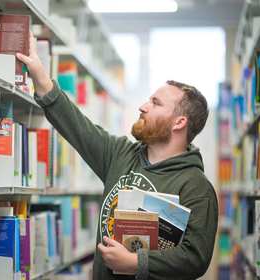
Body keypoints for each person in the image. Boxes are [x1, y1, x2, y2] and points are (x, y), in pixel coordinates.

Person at [16, 33, 218, 280]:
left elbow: (195, 258)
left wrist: (136, 262)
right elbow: (77, 126)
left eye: (155, 103)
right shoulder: (120, 155)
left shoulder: (196, 187)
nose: (143, 106)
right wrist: (40, 75)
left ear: (179, 122)